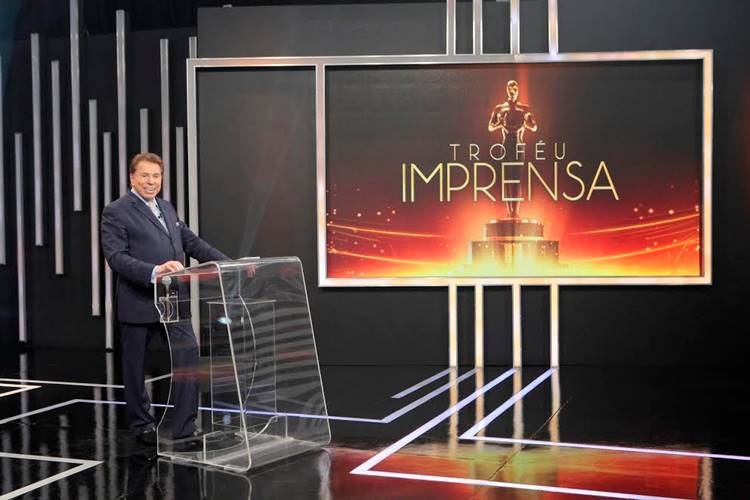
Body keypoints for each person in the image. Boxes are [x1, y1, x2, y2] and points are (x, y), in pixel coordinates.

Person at [101, 152, 229, 445]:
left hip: (172, 299)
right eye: (145, 175)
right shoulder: (116, 211)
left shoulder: (167, 207)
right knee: (135, 367)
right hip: (139, 300)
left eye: (156, 176)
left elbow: (191, 242)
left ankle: (185, 426)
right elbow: (116, 257)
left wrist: (227, 263)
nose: (151, 181)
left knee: (188, 357)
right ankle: (141, 425)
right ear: (132, 178)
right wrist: (154, 271)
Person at [488, 79, 537, 218]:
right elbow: (490, 127)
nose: (512, 91)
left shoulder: (525, 109)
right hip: (506, 145)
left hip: (519, 145)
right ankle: (510, 211)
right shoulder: (499, 109)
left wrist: (525, 123)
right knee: (507, 178)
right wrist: (500, 124)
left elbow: (534, 127)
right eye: (510, 88)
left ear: (518, 90)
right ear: (506, 89)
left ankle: (515, 212)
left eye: (515, 88)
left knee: (517, 178)